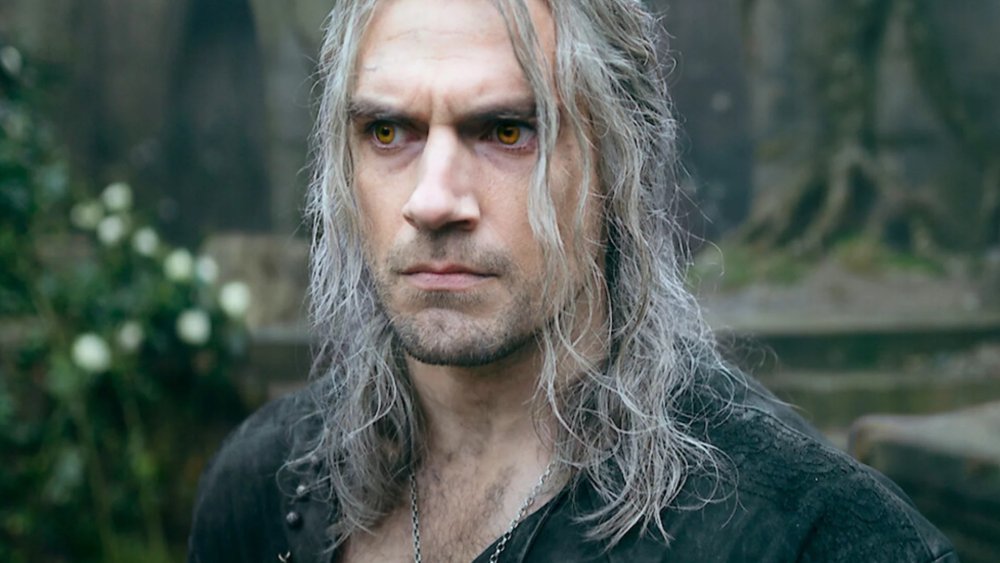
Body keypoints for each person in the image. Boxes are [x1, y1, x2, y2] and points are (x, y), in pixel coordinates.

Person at [187, 0, 958, 561]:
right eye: (388, 132)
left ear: (618, 160)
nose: (433, 200)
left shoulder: (807, 533)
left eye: (507, 131)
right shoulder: (264, 486)